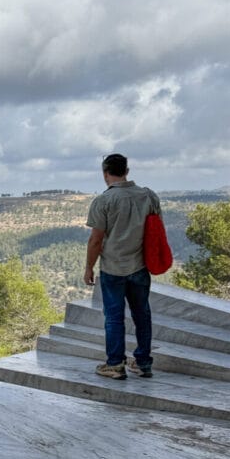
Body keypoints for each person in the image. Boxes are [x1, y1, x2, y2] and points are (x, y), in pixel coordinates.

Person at [83, 153, 161, 380]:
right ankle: (143, 362)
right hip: (139, 266)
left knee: (114, 317)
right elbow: (155, 231)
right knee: (142, 314)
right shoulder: (148, 196)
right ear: (127, 170)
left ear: (105, 173)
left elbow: (96, 240)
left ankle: (115, 364)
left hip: (112, 268)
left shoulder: (103, 201)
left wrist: (89, 267)